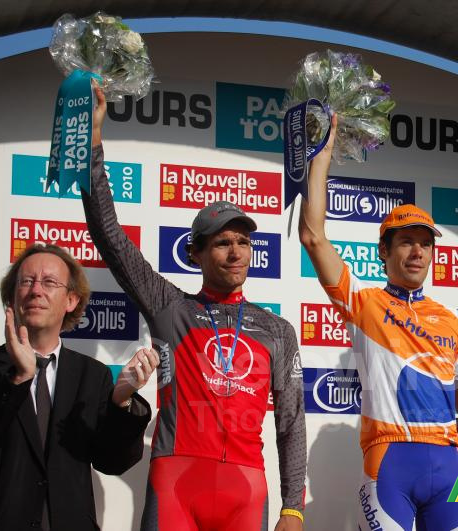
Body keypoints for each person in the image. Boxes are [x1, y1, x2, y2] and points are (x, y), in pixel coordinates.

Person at [84, 87, 306, 530]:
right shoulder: (170, 306)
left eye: (244, 241)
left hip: (246, 490)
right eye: (223, 242)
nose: (236, 252)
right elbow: (110, 236)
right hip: (177, 481)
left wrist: (293, 507)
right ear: (197, 254)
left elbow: (291, 422)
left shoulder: (277, 329)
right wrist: (92, 141)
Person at [298, 114, 458, 531]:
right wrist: (323, 155)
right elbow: (313, 236)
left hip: (452, 465)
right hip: (389, 461)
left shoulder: (454, 319)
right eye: (406, 241)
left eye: (425, 244)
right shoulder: (363, 303)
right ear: (384, 251)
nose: (418, 252)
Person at [0, 243, 155, 530]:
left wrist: (121, 401)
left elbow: (111, 461)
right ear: (12, 296)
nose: (36, 290)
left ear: (71, 300)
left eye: (49, 282)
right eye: (26, 281)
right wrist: (19, 380)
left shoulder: (92, 375)